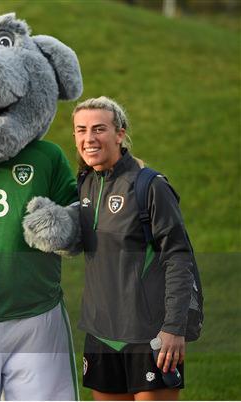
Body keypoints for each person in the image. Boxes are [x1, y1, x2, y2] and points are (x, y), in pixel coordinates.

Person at [72, 96, 194, 401]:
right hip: (101, 336)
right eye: (81, 130)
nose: (89, 138)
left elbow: (179, 258)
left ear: (120, 133)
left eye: (99, 129)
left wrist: (174, 328)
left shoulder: (149, 186)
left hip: (150, 336)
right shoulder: (84, 183)